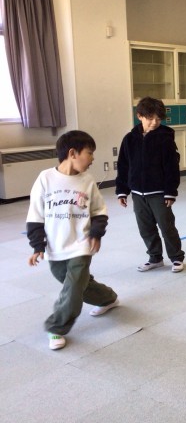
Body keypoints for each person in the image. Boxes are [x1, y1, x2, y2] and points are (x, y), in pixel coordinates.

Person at [26, 130, 119, 350]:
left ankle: (57, 327)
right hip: (56, 246)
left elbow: (99, 210)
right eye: (89, 153)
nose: (93, 158)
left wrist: (96, 233)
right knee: (73, 282)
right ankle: (107, 298)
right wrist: (37, 246)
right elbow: (35, 215)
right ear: (72, 153)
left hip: (82, 243)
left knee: (75, 284)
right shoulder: (45, 179)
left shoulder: (87, 180)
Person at [116, 97, 185, 273]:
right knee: (145, 228)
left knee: (167, 226)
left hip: (159, 193)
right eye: (150, 118)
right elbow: (123, 166)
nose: (154, 122)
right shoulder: (129, 139)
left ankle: (176, 257)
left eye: (158, 119)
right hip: (138, 194)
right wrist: (122, 191)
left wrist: (170, 192)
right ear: (139, 116)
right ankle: (155, 258)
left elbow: (171, 167)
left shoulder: (165, 138)